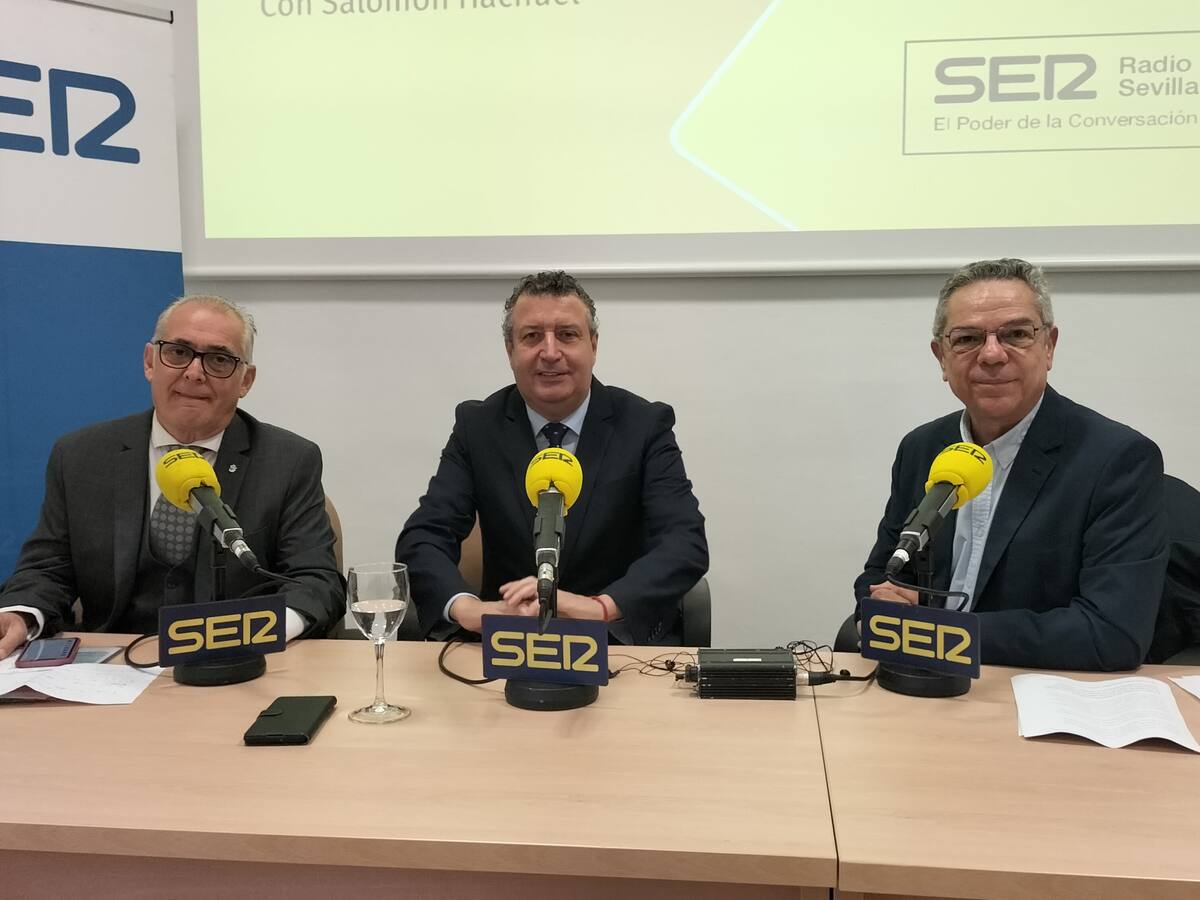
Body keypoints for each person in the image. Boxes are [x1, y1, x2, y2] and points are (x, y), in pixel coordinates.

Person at [855, 258, 1167, 671]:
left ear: (1049, 346)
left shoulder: (1117, 459)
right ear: (941, 358)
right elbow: (882, 574)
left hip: (1032, 688)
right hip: (923, 682)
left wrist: (944, 631)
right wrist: (884, 603)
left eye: (1016, 334)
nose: (991, 354)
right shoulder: (922, 448)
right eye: (967, 339)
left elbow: (1112, 634)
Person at [0, 295, 344, 658]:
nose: (194, 372)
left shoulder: (288, 461)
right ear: (150, 362)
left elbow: (316, 581)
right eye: (179, 352)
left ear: (245, 380)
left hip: (236, 660)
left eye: (219, 359)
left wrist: (257, 634)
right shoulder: (81, 456)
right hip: (113, 666)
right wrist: (21, 614)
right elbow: (47, 569)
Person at [397, 271, 708, 644]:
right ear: (510, 350)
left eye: (567, 334)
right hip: (508, 642)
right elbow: (424, 535)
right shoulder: (478, 426)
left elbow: (684, 541)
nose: (549, 352)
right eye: (531, 336)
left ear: (593, 345)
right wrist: (468, 608)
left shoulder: (644, 425)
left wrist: (601, 607)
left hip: (615, 642)